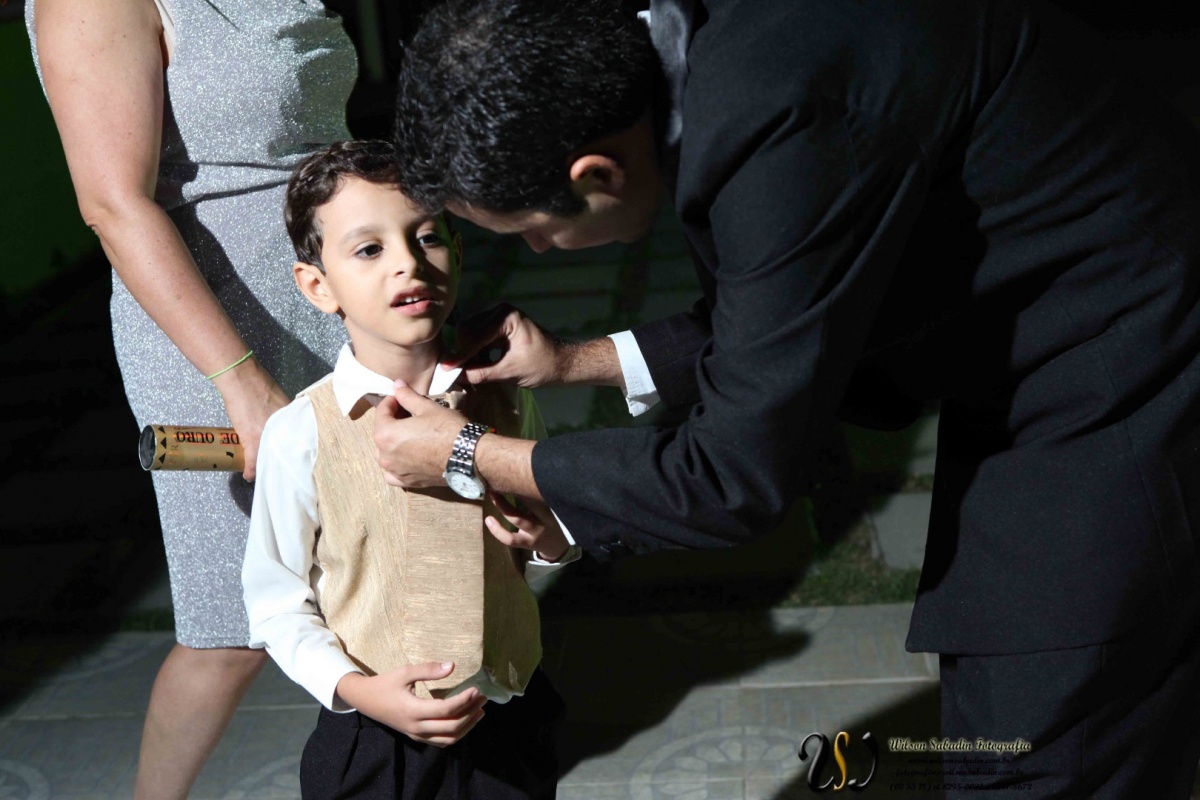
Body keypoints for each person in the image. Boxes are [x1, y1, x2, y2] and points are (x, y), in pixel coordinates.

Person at [376, 0, 1200, 796]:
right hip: (1027, 318)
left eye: (529, 229)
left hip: (1133, 344)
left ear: (595, 172)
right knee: (1001, 691)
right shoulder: (708, 48)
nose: (539, 250)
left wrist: (468, 453)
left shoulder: (778, 117)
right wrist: (576, 361)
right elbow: (792, 310)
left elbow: (734, 472)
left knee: (1052, 725)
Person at [25, 1, 354, 796]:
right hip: (210, 330)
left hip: (334, 293)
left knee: (372, 574)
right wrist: (242, 383)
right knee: (233, 627)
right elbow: (112, 205)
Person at [242, 139, 575, 800]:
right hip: (377, 739)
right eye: (369, 249)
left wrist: (549, 539)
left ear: (460, 249)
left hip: (507, 713)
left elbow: (548, 544)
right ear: (317, 285)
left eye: (427, 238)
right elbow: (276, 603)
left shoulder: (506, 397)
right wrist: (359, 690)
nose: (408, 265)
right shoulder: (301, 434)